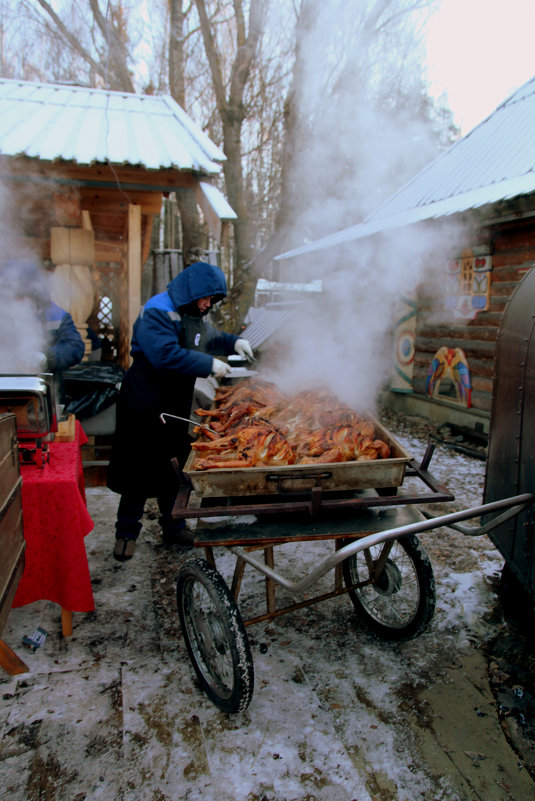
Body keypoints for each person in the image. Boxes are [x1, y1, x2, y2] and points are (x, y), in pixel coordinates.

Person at [107, 261, 253, 562]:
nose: (207, 304)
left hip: (174, 400)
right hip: (144, 397)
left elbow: (209, 337)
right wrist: (208, 365)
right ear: (192, 290)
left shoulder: (193, 313)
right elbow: (163, 355)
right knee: (139, 466)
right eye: (206, 297)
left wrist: (234, 342)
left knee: (171, 465)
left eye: (213, 300)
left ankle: (174, 527)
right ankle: (125, 534)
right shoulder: (158, 310)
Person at [0, 258, 85, 399]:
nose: (15, 302)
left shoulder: (56, 315)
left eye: (21, 296)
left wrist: (45, 357)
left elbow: (75, 348)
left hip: (45, 394)